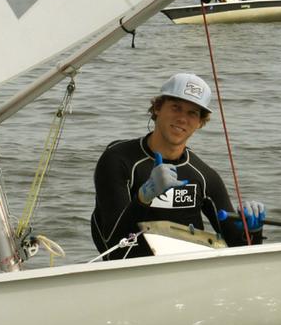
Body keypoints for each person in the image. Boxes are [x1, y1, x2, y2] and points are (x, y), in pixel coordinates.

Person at [90, 73, 266, 259]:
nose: (183, 119)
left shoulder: (204, 176)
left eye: (192, 113)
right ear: (157, 108)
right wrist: (143, 198)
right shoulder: (118, 159)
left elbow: (243, 252)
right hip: (131, 273)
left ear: (200, 122)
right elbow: (112, 241)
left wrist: (252, 231)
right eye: (176, 108)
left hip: (188, 274)